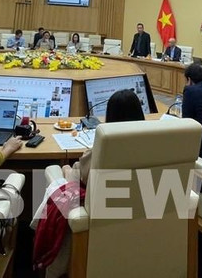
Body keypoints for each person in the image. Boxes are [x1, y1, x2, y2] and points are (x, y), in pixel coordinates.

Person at [35, 90, 146, 277]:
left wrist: (67, 171)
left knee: (57, 170)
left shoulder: (106, 146)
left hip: (97, 217)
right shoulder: (154, 141)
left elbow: (81, 176)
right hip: (144, 216)